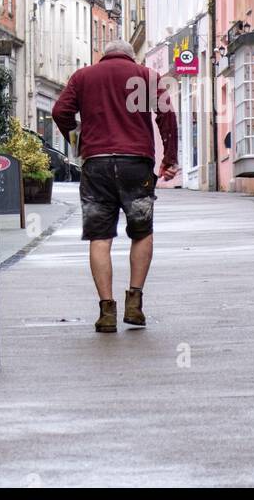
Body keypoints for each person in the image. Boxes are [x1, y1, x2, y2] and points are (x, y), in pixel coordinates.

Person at [51, 38, 179, 333]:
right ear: (131, 56)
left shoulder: (83, 76)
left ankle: (106, 311)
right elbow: (166, 117)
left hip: (96, 165)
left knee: (100, 236)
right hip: (137, 164)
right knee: (142, 231)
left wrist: (76, 139)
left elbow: (60, 112)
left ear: (104, 55)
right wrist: (169, 159)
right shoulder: (146, 76)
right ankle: (134, 304)